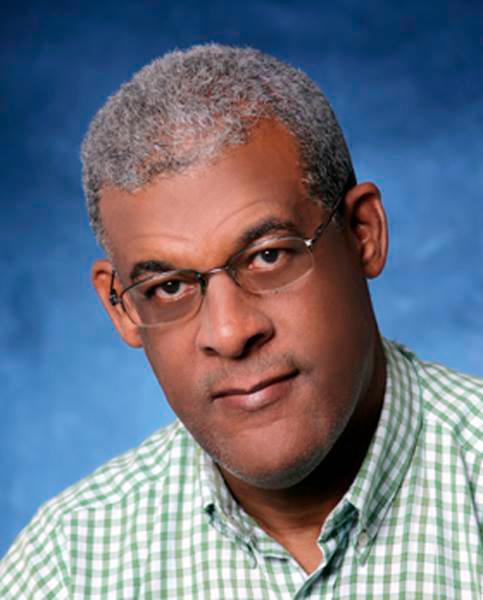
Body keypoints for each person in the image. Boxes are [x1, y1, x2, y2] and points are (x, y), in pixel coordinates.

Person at [1, 44, 481, 599]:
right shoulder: (67, 569)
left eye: (268, 256)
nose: (229, 334)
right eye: (169, 287)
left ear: (362, 234)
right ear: (122, 307)